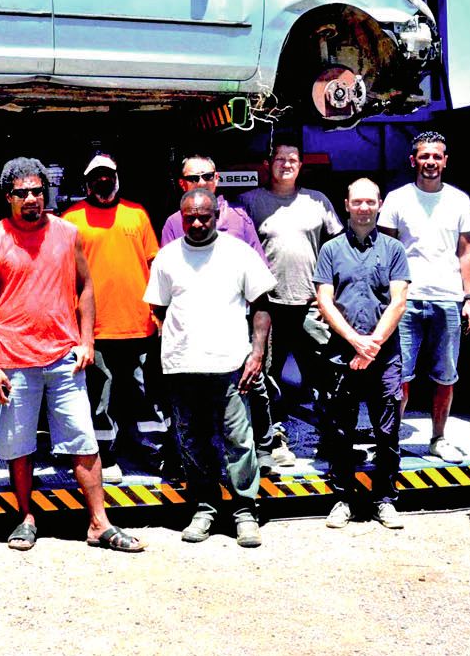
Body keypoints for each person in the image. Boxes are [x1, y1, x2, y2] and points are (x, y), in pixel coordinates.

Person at [0, 157, 145, 554]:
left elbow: (85, 287)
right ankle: (26, 517)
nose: (32, 199)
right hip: (14, 358)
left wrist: (87, 341)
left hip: (64, 357)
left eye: (37, 191)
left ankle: (99, 524)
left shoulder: (68, 233)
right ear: (8, 198)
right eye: (22, 193)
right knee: (19, 443)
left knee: (83, 439)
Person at [146, 188, 276, 547]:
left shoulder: (239, 253)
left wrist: (256, 353)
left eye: (205, 216)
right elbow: (157, 309)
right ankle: (204, 508)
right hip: (183, 367)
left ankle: (244, 512)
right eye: (191, 218)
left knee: (238, 439)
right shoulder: (168, 257)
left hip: (231, 364)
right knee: (192, 440)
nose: (198, 223)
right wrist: (172, 346)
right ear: (181, 218)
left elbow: (262, 305)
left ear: (216, 215)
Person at [161, 154, 289, 472]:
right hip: (194, 328)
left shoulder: (240, 218)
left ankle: (264, 447)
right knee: (195, 398)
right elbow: (164, 288)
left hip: (237, 323)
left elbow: (259, 275)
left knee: (253, 384)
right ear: (181, 184)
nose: (201, 183)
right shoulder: (174, 223)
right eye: (193, 178)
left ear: (217, 178)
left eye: (206, 176)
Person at [308, 178, 410, 530]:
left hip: (385, 354)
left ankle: (385, 498)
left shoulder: (394, 250)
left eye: (370, 202)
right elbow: (324, 300)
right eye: (357, 202)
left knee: (387, 429)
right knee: (340, 429)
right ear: (347, 205)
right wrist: (356, 342)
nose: (364, 208)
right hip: (341, 353)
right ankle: (343, 499)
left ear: (380, 204)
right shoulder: (331, 249)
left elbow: (399, 301)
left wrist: (373, 345)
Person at [63, 153, 166, 483]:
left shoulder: (137, 215)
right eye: (96, 177)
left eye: (108, 175)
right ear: (87, 184)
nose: (103, 182)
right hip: (96, 327)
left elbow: (155, 266)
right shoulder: (71, 219)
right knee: (99, 397)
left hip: (140, 324)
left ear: (118, 178)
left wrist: (160, 315)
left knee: (144, 392)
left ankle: (152, 451)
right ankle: (105, 458)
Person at [378, 131, 470, 464]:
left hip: (448, 300)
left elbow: (465, 251)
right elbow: (386, 250)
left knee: (445, 376)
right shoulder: (396, 199)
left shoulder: (459, 200)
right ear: (413, 161)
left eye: (437, 156)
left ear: (445, 161)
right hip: (406, 300)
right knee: (399, 375)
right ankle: (390, 439)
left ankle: (438, 438)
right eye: (424, 156)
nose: (431, 162)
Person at [239, 141, 342, 462]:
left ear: (301, 165)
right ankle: (274, 439)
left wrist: (333, 294)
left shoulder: (318, 202)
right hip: (267, 306)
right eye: (280, 159)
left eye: (292, 160)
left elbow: (338, 247)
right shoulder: (249, 202)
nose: (286, 164)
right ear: (268, 164)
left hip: (312, 304)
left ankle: (332, 437)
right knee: (265, 377)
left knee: (327, 373)